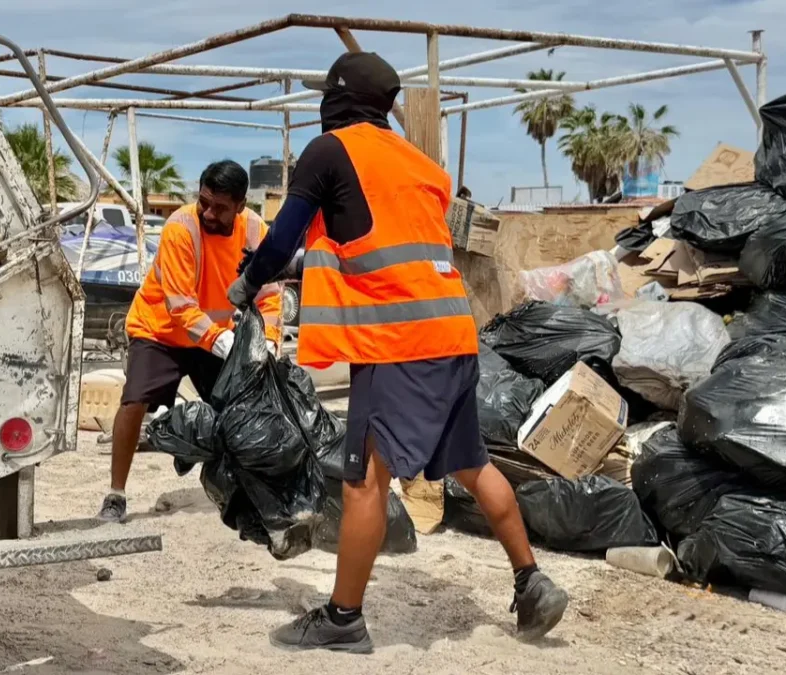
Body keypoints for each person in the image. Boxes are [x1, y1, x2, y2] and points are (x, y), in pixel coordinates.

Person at [228, 52, 569, 653]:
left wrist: (249, 281)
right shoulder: (419, 164)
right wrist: (298, 266)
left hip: (396, 342)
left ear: (339, 97)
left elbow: (282, 236)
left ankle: (343, 619)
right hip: (451, 333)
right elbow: (378, 244)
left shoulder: (330, 150)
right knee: (472, 463)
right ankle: (531, 582)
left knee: (364, 478)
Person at [98, 160, 282, 523]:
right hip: (160, 330)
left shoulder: (255, 231)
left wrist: (271, 341)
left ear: (241, 205)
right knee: (134, 402)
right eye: (204, 202)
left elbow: (270, 295)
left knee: (238, 409)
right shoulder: (180, 228)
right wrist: (222, 342)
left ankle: (239, 487)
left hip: (212, 336)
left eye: (220, 207)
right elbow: (181, 305)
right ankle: (116, 494)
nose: (209, 213)